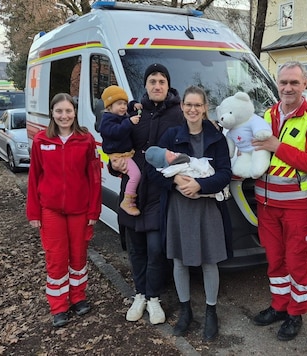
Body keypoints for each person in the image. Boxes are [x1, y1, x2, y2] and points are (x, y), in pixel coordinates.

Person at [146, 85, 232, 341]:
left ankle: (211, 312)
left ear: (205, 107)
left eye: (198, 105)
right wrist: (175, 182)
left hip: (207, 207)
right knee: (180, 261)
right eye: (188, 105)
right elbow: (152, 170)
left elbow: (225, 174)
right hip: (178, 208)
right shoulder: (171, 136)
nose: (193, 109)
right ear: (182, 106)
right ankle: (186, 311)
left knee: (209, 261)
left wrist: (200, 185)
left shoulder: (217, 138)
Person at [251, 61, 307, 341]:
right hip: (266, 204)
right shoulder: (266, 114)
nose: (288, 88)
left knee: (297, 263)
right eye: (283, 82)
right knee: (275, 260)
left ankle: (296, 313)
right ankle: (279, 306)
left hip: (297, 206)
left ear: (304, 84)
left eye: (294, 82)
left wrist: (277, 146)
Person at [110, 63, 184, 325]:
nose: (156, 85)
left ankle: (153, 297)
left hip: (160, 192)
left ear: (168, 85)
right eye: (152, 81)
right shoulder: (132, 112)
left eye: (161, 81)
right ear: (145, 85)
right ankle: (139, 294)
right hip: (132, 191)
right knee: (136, 249)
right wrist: (113, 164)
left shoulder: (178, 114)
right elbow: (117, 145)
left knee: (156, 249)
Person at [26, 93, 102, 327]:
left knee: (78, 256)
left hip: (80, 210)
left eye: (68, 111)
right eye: (59, 111)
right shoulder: (41, 140)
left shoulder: (85, 140)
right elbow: (34, 177)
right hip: (51, 211)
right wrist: (34, 213)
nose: (64, 116)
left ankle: (78, 297)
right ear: (52, 113)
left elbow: (94, 178)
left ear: (74, 113)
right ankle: (59, 305)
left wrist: (93, 212)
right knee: (56, 258)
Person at [98, 85, 142, 216]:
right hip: (120, 156)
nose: (123, 107)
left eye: (124, 103)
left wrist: (134, 104)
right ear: (109, 106)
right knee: (135, 175)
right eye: (119, 104)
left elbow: (127, 109)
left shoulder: (118, 114)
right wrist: (129, 122)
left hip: (125, 153)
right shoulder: (107, 120)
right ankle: (128, 201)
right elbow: (115, 132)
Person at [145, 145, 227, 201]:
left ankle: (214, 190)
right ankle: (213, 193)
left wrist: (201, 183)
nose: (173, 154)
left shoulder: (178, 156)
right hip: (186, 184)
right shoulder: (169, 169)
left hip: (203, 176)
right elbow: (165, 172)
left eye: (170, 151)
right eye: (170, 155)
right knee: (187, 190)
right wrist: (175, 179)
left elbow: (192, 161)